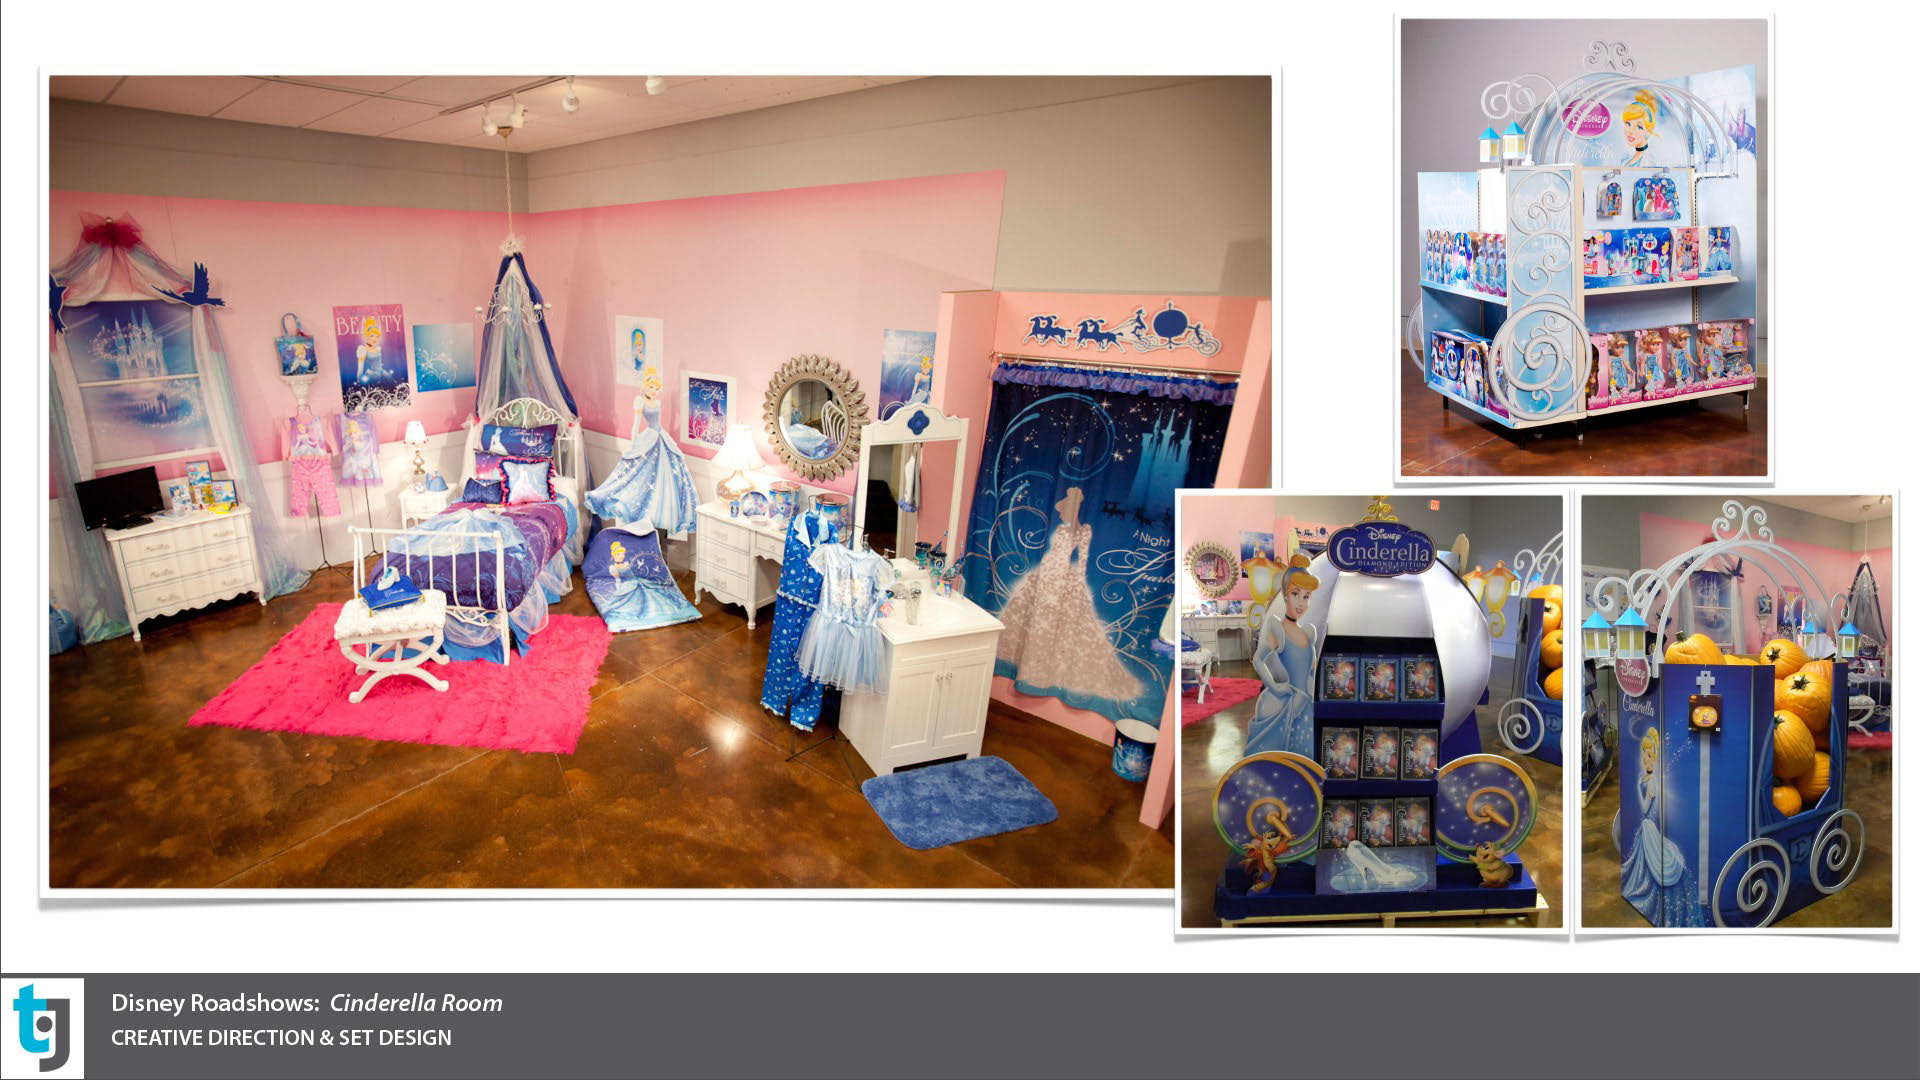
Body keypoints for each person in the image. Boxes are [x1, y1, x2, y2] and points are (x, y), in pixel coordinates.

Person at [585, 365, 699, 534]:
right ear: (645, 386)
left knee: (668, 473)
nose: (654, 391)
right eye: (652, 387)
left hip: (660, 436)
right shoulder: (640, 401)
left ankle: (662, 518)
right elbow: (636, 423)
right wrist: (634, 443)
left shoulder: (657, 402)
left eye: (657, 388)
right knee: (642, 472)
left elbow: (663, 421)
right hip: (649, 436)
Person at [1242, 554, 1321, 759]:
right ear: (1285, 595)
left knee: (1302, 756)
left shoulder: (1308, 632)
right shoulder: (1279, 630)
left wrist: (1312, 696)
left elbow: (1310, 672)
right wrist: (1276, 687)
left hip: (1305, 706)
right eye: (1296, 594)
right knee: (1279, 756)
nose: (1301, 602)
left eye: (1306, 596)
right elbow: (1258, 660)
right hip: (1287, 704)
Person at [1621, 89, 1659, 166]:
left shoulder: (1648, 161)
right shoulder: (1628, 156)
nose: (1631, 131)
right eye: (1628, 123)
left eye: (1639, 127)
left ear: (1648, 129)